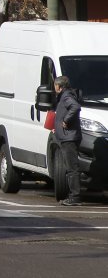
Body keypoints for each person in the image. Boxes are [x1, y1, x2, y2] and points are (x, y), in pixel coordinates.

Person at [54, 75, 83, 206]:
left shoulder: (66, 96)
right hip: (67, 136)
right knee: (71, 167)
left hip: (69, 137)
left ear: (59, 87)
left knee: (72, 168)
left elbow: (75, 107)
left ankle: (75, 197)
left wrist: (66, 120)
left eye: (55, 86)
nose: (54, 88)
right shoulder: (65, 95)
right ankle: (73, 196)